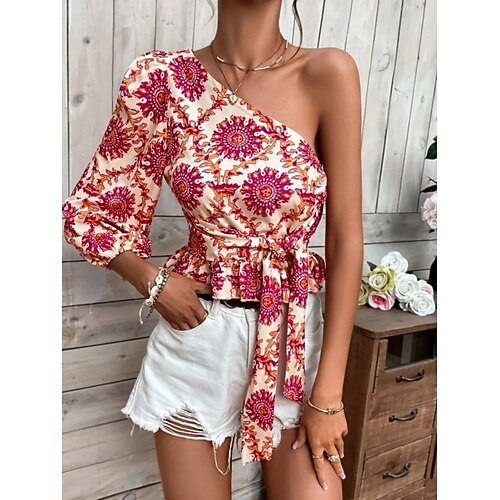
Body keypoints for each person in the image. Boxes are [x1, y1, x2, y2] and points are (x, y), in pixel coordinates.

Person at [62, 0, 363, 498]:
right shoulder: (164, 81)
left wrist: (328, 394)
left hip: (292, 344)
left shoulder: (327, 72)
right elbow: (91, 210)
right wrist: (153, 282)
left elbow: (346, 237)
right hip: (198, 339)